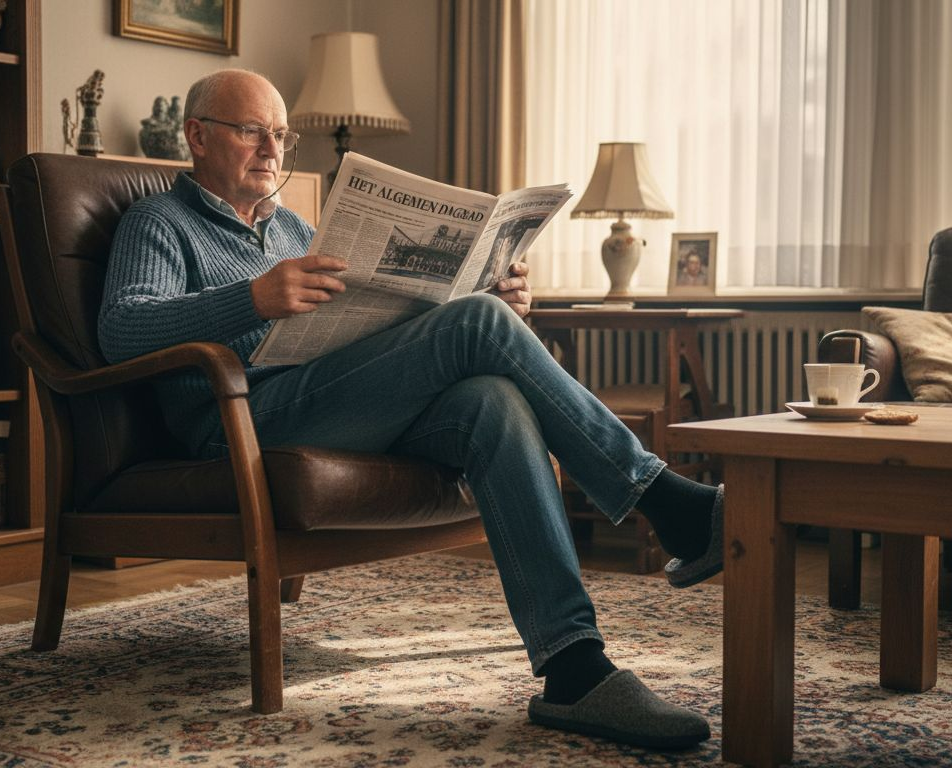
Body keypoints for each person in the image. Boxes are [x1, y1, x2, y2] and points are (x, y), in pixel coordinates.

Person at [99, 69, 725, 750]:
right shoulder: (158, 222)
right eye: (253, 132)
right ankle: (664, 501)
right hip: (239, 421)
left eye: (280, 135)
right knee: (477, 326)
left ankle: (573, 667)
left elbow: (368, 325)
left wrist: (487, 297)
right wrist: (251, 299)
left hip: (328, 402)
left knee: (492, 399)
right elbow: (121, 330)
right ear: (197, 136)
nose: (272, 150)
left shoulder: (295, 230)